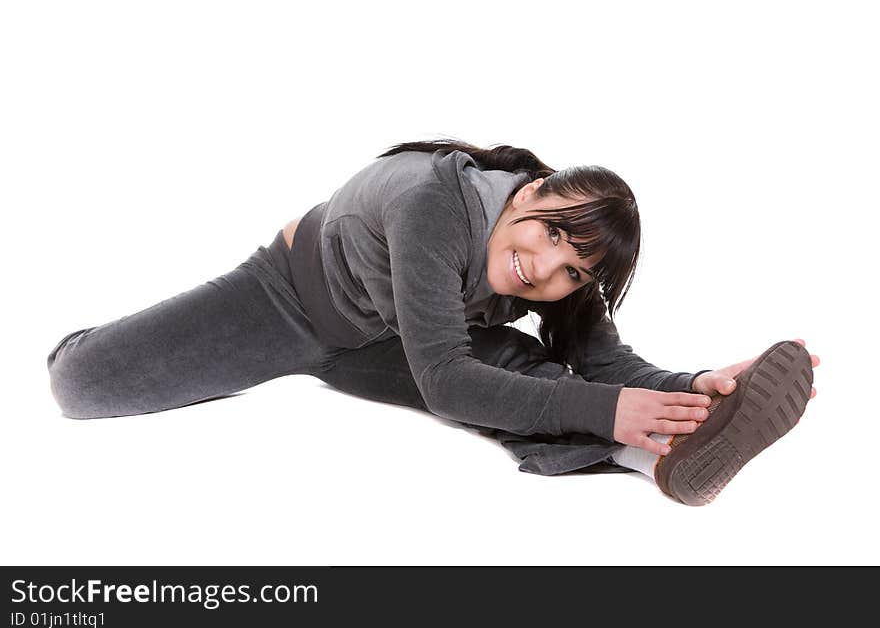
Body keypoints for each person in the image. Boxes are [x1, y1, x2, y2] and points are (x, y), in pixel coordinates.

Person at [46, 138, 819, 505]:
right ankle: (77, 345)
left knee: (520, 376)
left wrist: (694, 386)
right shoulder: (434, 203)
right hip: (289, 301)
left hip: (395, 336)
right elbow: (445, 380)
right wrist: (603, 402)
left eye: (573, 271)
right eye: (551, 234)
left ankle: (653, 458)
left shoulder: (557, 267)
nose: (544, 270)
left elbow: (608, 365)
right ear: (532, 190)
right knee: (77, 385)